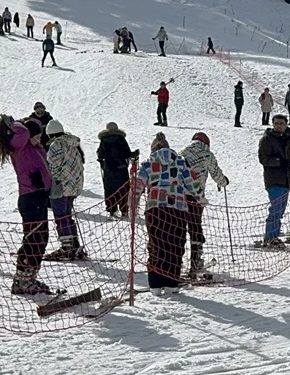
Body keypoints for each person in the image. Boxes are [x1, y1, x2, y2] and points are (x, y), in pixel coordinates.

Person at [0, 116, 55, 295]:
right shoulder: (20, 147)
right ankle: (21, 281)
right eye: (37, 135)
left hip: (40, 197)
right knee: (33, 240)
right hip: (30, 198)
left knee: (42, 239)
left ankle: (30, 278)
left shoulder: (36, 148)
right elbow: (23, 131)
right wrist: (14, 123)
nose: (39, 138)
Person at [136, 133, 201, 294]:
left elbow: (137, 185)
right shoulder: (181, 163)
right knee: (175, 244)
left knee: (157, 244)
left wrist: (133, 200)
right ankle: (172, 283)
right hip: (177, 209)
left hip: (155, 209)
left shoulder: (148, 164)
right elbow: (192, 183)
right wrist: (200, 198)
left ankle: (156, 284)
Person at [180, 132, 229, 277]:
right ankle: (196, 260)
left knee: (180, 227)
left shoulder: (183, 152)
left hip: (179, 195)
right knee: (195, 226)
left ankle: (176, 259)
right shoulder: (208, 154)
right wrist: (223, 182)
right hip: (196, 196)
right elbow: (216, 173)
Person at [258, 114, 290, 245]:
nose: (279, 126)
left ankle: (274, 235)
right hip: (274, 180)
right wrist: (279, 162)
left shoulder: (285, 140)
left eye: (282, 123)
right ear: (273, 124)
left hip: (285, 180)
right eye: (277, 123)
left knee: (280, 210)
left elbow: (287, 162)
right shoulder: (267, 139)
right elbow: (263, 159)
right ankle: (270, 237)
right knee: (276, 209)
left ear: (286, 125)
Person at [44, 119, 87, 260]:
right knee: (67, 215)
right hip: (74, 185)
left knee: (61, 217)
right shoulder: (73, 143)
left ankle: (67, 247)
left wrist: (53, 181)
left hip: (61, 186)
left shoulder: (56, 145)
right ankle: (74, 243)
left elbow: (53, 167)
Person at [97, 122, 139, 217]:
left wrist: (100, 158)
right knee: (124, 188)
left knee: (109, 188)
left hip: (108, 169)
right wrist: (134, 154)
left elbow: (101, 155)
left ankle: (112, 209)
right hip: (121, 168)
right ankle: (124, 209)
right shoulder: (121, 138)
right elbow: (127, 153)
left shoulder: (104, 139)